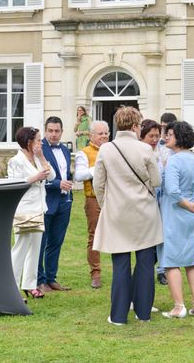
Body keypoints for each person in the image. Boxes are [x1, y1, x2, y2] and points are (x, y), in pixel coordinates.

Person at [93, 107, 163, 325]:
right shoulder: (145, 149)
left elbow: (98, 184)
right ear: (136, 125)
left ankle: (119, 316)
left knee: (120, 264)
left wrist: (106, 204)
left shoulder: (106, 149)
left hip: (117, 211)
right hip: (144, 211)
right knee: (144, 263)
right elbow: (157, 180)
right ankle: (143, 313)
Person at [159, 121, 194, 319]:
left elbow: (173, 190)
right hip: (193, 212)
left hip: (176, 212)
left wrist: (188, 205)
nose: (166, 136)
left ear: (180, 137)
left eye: (170, 134)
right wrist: (193, 206)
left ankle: (179, 306)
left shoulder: (174, 160)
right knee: (192, 260)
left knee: (171, 260)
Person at [8, 126, 54, 300]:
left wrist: (42, 157)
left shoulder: (37, 158)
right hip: (24, 209)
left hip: (39, 208)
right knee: (20, 248)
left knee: (35, 249)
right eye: (38, 140)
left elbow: (51, 176)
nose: (41, 142)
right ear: (29, 142)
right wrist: (35, 178)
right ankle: (11, 287)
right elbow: (14, 184)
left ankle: (29, 284)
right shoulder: (16, 161)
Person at [38, 116, 73, 293]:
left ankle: (51, 278)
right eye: (50, 131)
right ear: (45, 131)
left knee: (56, 242)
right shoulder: (39, 149)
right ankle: (40, 280)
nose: (53, 134)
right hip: (46, 201)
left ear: (61, 132)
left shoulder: (66, 150)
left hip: (65, 202)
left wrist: (68, 184)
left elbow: (66, 172)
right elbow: (39, 178)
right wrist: (58, 183)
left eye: (56, 131)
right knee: (41, 241)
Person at [74, 120, 110, 289]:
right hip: (93, 198)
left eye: (106, 133)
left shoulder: (113, 150)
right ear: (91, 135)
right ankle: (95, 273)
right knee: (94, 235)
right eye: (100, 133)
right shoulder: (84, 153)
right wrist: (98, 168)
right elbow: (79, 175)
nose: (104, 136)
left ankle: (121, 270)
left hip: (113, 198)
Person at [140, 118, 167, 286]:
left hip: (161, 199)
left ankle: (162, 269)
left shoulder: (162, 151)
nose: (155, 139)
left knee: (162, 235)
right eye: (151, 136)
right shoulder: (140, 152)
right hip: (145, 200)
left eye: (157, 135)